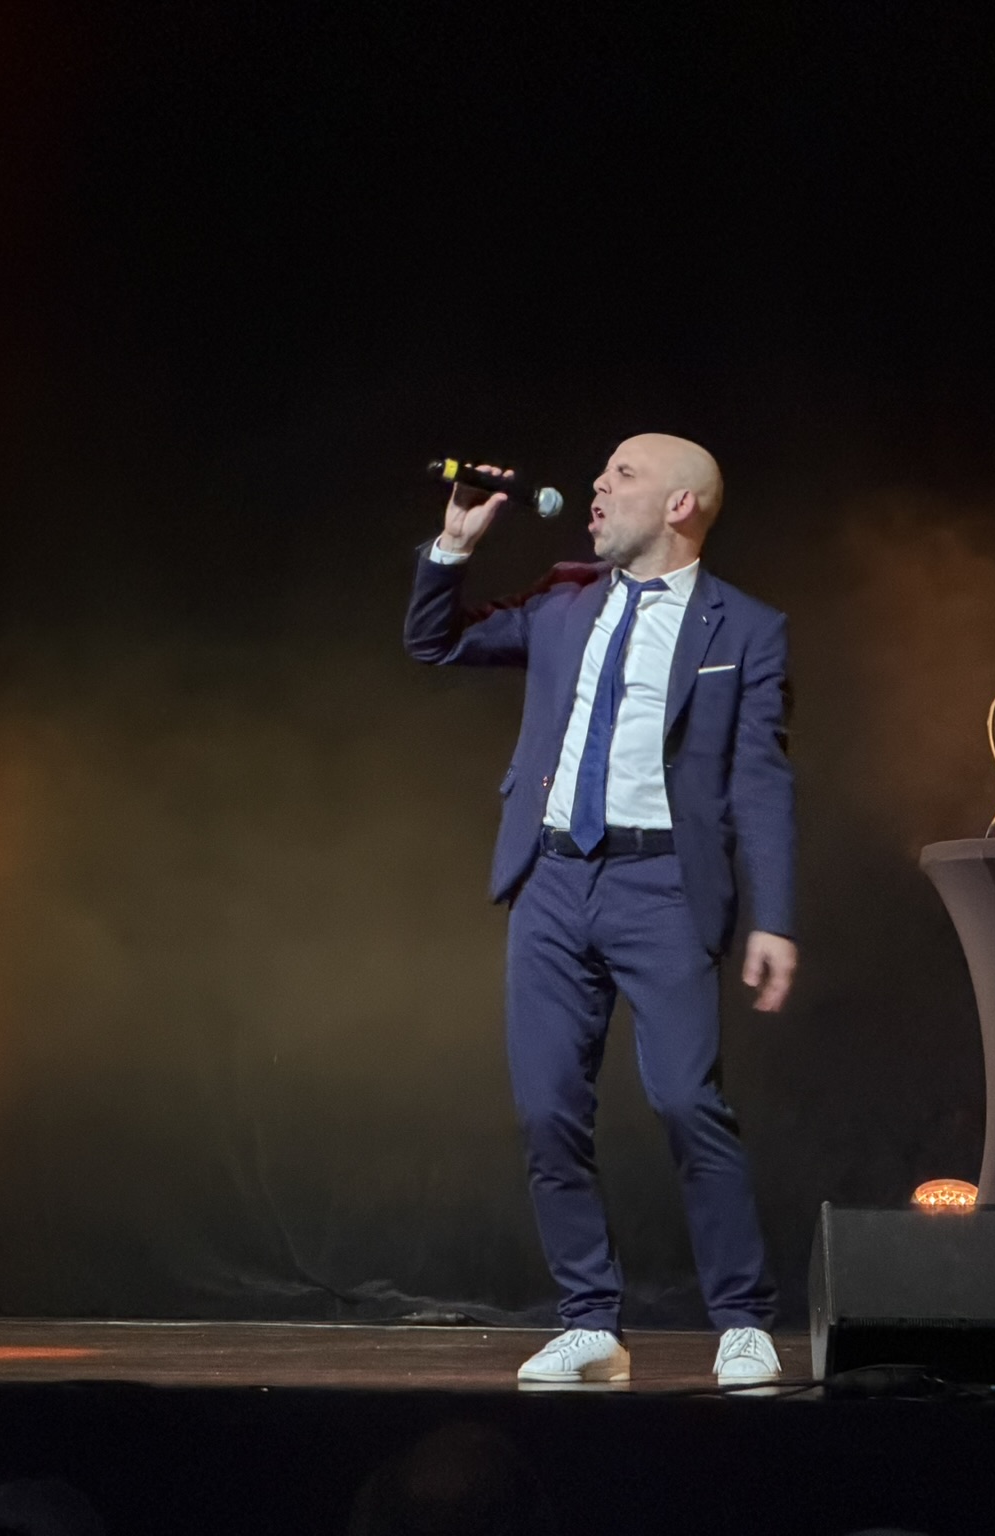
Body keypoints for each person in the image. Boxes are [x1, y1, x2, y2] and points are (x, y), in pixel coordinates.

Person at [404, 433, 796, 1386]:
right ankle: (589, 1322)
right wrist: (452, 548)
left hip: (662, 887)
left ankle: (742, 1320)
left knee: (686, 1101)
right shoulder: (563, 600)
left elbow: (760, 780)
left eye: (623, 475)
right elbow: (434, 640)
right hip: (551, 878)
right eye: (602, 474)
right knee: (547, 1111)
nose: (597, 487)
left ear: (679, 505)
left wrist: (774, 916)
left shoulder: (743, 628)